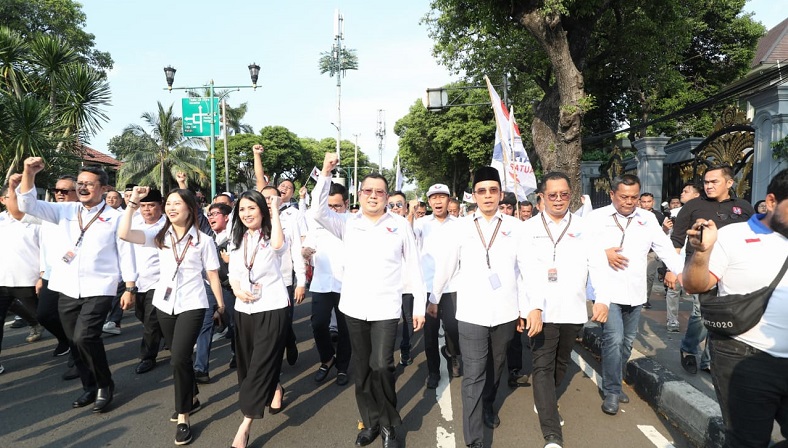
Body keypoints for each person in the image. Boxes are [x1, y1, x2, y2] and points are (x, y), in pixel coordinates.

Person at [312, 153, 425, 448]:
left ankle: (389, 425)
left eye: (379, 192)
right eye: (368, 191)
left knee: (383, 365)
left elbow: (413, 266)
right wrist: (325, 172)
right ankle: (371, 422)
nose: (373, 196)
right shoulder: (347, 222)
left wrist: (420, 306)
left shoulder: (399, 225)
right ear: (359, 194)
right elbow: (316, 211)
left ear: (387, 196)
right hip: (353, 308)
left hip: (386, 308)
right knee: (361, 371)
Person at [17, 158, 137, 414]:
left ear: (104, 188)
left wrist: (130, 286)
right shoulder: (65, 211)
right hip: (67, 286)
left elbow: (127, 252)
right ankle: (89, 386)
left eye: (89, 184)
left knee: (86, 336)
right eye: (79, 183)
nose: (82, 188)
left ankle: (105, 385)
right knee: (74, 340)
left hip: (100, 287)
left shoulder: (115, 217)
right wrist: (29, 173)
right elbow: (25, 203)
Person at [430, 166, 537, 448]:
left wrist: (527, 309)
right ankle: (474, 440)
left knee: (496, 366)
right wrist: (433, 298)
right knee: (474, 374)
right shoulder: (461, 227)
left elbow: (524, 270)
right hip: (471, 312)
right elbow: (446, 266)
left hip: (505, 311)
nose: (488, 196)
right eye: (481, 191)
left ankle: (488, 404)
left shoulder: (516, 228)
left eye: (493, 190)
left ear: (500, 194)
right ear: (473, 196)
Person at [682, 168, 788, 447]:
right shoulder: (733, 236)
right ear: (773, 201)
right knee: (747, 441)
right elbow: (695, 284)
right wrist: (701, 253)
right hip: (742, 355)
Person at [118, 187, 224, 446]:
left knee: (177, 358)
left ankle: (184, 416)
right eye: (169, 204)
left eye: (178, 203)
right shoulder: (159, 235)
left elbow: (212, 275)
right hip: (164, 304)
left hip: (193, 304)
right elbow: (123, 233)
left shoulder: (204, 240)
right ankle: (193, 395)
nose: (172, 208)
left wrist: (220, 306)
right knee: (181, 358)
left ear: (190, 208)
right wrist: (132, 202)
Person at [522, 172, 610, 448]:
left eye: (563, 194)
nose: (558, 200)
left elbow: (597, 265)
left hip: (572, 309)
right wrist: (531, 307)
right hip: (541, 311)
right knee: (543, 365)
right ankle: (551, 433)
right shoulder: (528, 229)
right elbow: (525, 271)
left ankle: (545, 397)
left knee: (562, 362)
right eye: (552, 195)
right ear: (542, 198)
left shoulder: (585, 227)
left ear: (570, 195)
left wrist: (602, 299)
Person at [585, 174, 683, 416]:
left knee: (628, 342)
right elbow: (580, 246)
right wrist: (603, 252)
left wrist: (679, 271)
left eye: (633, 197)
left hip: (636, 291)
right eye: (623, 197)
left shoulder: (647, 219)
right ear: (612, 195)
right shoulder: (596, 218)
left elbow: (664, 247)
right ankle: (611, 390)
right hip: (608, 292)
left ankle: (615, 379)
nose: (629, 202)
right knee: (614, 339)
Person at [672, 165, 755, 375]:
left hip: (733, 271)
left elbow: (754, 237)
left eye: (714, 182)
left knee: (725, 313)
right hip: (701, 268)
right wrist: (672, 269)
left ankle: (709, 359)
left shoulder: (744, 207)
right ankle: (689, 350)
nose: (708, 186)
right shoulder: (692, 207)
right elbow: (676, 240)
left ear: (729, 183)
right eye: (706, 182)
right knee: (701, 314)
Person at [225, 190, 289, 448]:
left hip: (272, 307)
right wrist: (236, 288)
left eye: (252, 208)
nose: (246, 214)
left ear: (262, 210)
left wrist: (275, 211)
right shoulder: (238, 238)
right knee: (248, 363)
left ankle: (245, 425)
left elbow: (278, 246)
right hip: (244, 308)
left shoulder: (271, 234)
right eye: (242, 210)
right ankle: (275, 388)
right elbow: (233, 270)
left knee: (261, 364)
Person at [302, 182, 352, 386]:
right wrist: (305, 252)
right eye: (329, 206)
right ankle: (327, 358)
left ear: (346, 204)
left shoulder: (353, 222)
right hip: (322, 283)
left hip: (347, 284)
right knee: (318, 324)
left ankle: (342, 367)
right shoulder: (317, 223)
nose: (332, 211)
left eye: (337, 206)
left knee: (345, 328)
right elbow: (308, 245)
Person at [413, 183, 460, 388]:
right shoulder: (421, 223)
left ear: (449, 201)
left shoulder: (460, 225)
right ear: (429, 201)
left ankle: (453, 353)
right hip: (428, 287)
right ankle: (433, 371)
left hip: (452, 286)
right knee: (430, 334)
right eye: (434, 197)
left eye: (442, 197)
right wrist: (410, 215)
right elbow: (407, 237)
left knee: (453, 327)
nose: (438, 201)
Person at [0, 175, 44, 373]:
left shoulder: (35, 221)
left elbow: (46, 249)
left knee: (45, 316)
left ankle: (64, 339)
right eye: (12, 196)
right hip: (2, 280)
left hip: (28, 279)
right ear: (3, 200)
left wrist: (42, 275)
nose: (17, 200)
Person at [129, 189, 166, 375]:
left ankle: (148, 356)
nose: (147, 210)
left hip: (160, 281)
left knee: (151, 321)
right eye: (143, 206)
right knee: (141, 315)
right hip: (139, 280)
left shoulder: (167, 225)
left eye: (151, 205)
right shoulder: (134, 222)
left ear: (160, 205)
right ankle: (166, 335)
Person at [388, 190, 416, 367]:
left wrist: (412, 215)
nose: (395, 208)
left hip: (407, 285)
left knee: (408, 319)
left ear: (405, 207)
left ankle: (405, 348)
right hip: (387, 286)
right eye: (391, 205)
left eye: (399, 204)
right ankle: (386, 355)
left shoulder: (415, 225)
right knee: (388, 321)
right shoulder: (379, 228)